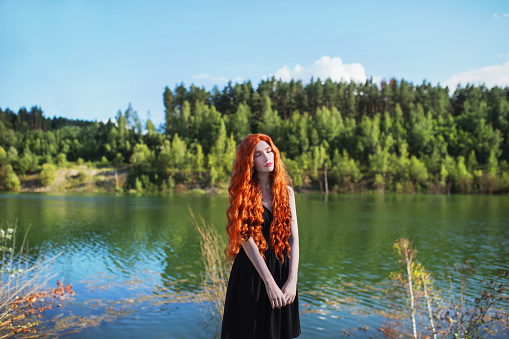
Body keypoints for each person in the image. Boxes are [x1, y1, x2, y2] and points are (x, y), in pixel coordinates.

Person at [221, 134, 301, 339]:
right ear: (250, 162)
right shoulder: (244, 194)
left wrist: (292, 279)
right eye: (258, 154)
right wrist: (269, 283)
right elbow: (246, 240)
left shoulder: (287, 192)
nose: (267, 157)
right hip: (253, 274)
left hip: (283, 272)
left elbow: (294, 237)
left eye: (268, 151)